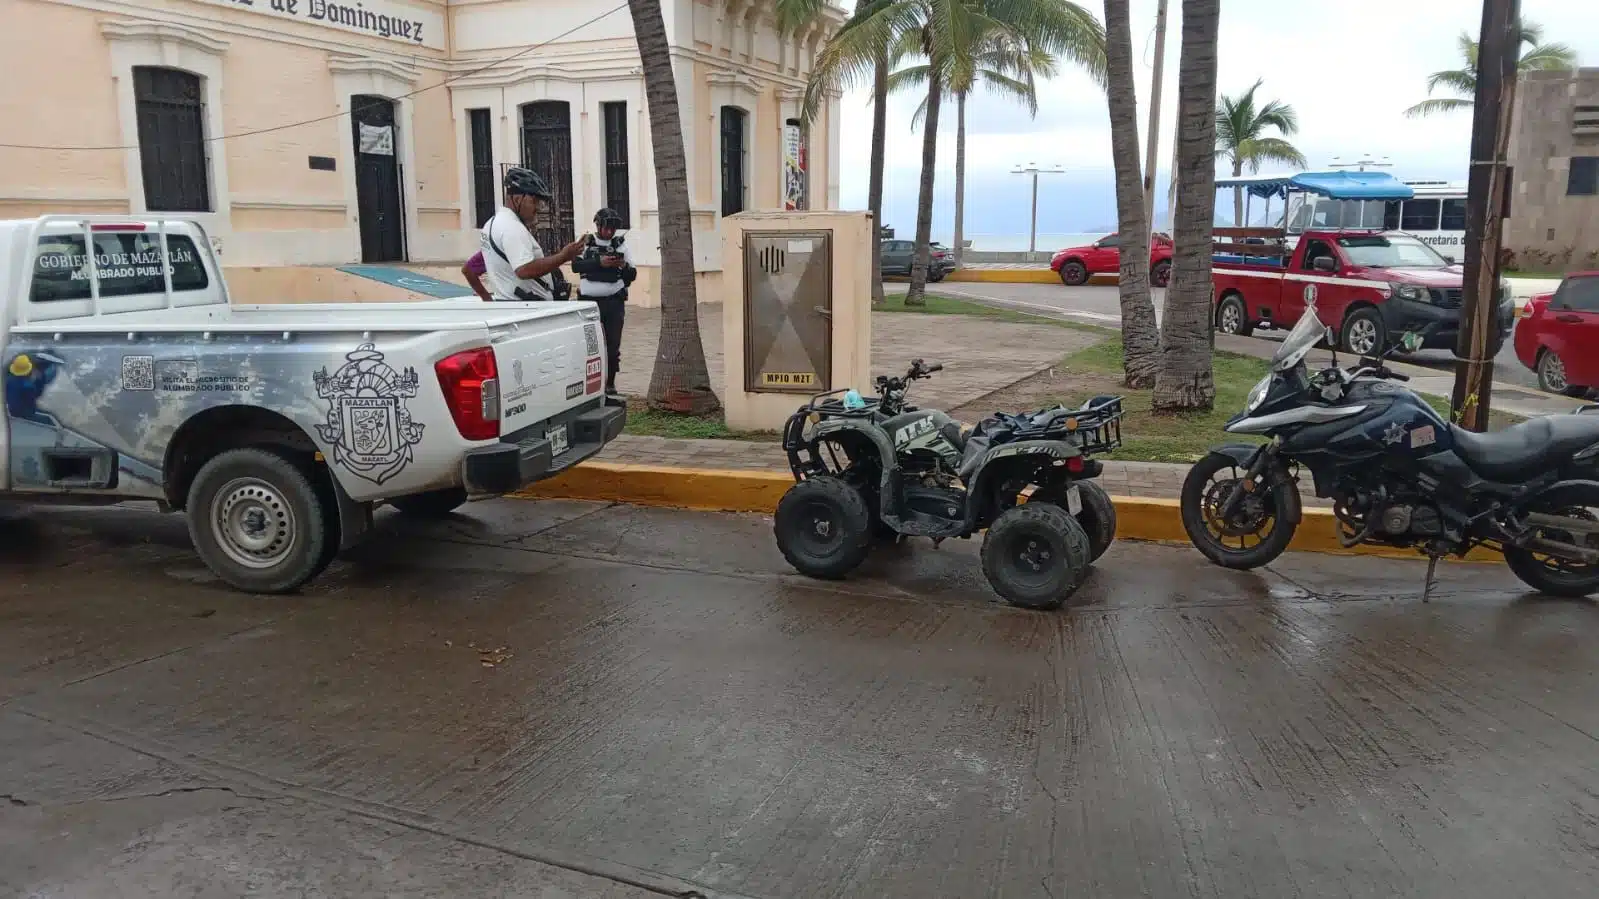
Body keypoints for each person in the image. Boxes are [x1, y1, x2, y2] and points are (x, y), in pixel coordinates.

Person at [480, 167, 587, 302]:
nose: (538, 207)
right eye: (534, 201)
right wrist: (564, 256)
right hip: (526, 309)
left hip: (512, 304)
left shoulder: (492, 224)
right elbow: (524, 270)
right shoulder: (512, 227)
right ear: (518, 199)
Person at [570, 208, 636, 397]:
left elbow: (632, 274)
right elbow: (576, 266)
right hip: (589, 303)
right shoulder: (586, 243)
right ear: (598, 226)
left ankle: (610, 383)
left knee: (613, 345)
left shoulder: (620, 245)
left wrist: (622, 265)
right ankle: (588, 382)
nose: (609, 232)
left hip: (614, 302)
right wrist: (600, 263)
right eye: (606, 228)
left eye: (613, 228)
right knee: (589, 345)